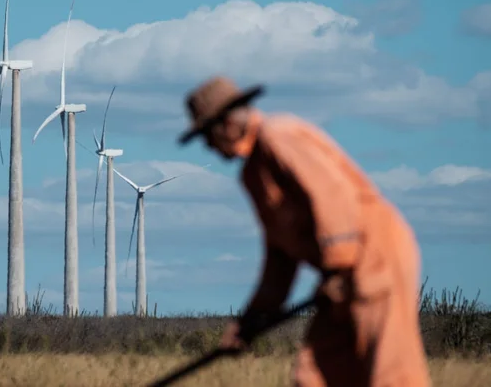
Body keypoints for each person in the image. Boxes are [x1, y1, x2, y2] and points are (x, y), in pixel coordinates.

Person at [177, 76, 431, 387]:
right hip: (337, 275)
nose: (208, 147)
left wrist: (339, 267)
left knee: (388, 371)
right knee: (314, 376)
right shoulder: (252, 176)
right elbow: (280, 257)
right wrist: (251, 320)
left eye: (207, 136)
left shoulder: (278, 135)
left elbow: (331, 194)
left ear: (226, 123)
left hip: (374, 258)